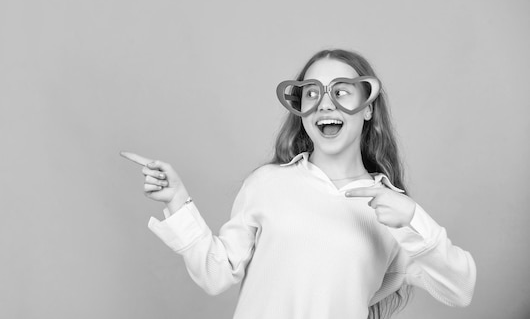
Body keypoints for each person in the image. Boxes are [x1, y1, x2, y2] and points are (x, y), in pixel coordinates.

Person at [121, 49, 476, 319]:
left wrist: (413, 218)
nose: (325, 103)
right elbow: (216, 274)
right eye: (311, 93)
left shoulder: (392, 210)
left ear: (368, 107)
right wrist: (177, 200)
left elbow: (460, 290)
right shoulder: (268, 184)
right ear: (301, 108)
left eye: (342, 91)